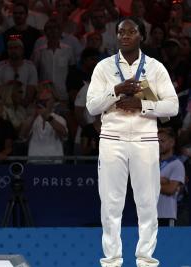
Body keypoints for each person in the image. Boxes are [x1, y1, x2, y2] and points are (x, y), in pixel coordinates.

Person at [86, 16, 179, 267]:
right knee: (111, 203)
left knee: (147, 202)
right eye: (120, 32)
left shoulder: (156, 67)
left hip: (145, 138)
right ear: (116, 36)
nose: (125, 35)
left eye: (131, 31)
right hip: (112, 138)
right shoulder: (104, 67)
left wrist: (142, 104)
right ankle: (112, 260)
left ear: (141, 36)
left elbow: (173, 105)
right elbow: (92, 106)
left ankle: (146, 260)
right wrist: (116, 90)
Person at [157, 128, 185, 227]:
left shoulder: (177, 164)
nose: (158, 144)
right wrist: (161, 181)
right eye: (157, 141)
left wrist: (152, 182)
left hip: (166, 216)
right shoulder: (152, 164)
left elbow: (170, 189)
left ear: (172, 142)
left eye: (162, 141)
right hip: (149, 216)